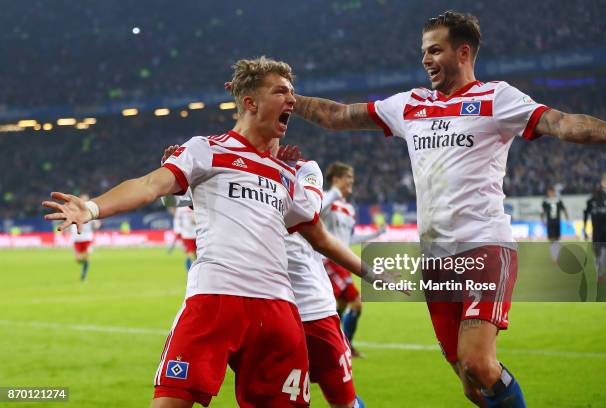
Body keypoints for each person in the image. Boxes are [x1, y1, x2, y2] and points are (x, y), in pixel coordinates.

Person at [290, 10, 606, 407]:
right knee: (469, 380)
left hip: (484, 247)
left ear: (463, 53)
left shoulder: (496, 98)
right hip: (436, 260)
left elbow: (562, 123)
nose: (425, 59)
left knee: (478, 362)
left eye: (435, 50)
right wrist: (290, 100)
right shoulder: (409, 106)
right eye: (424, 51)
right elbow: (338, 115)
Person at [42, 57, 368, 408]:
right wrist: (91, 209)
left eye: (292, 92)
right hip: (217, 298)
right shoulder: (207, 149)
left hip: (279, 311)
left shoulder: (285, 176)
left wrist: (372, 272)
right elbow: (151, 184)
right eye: (281, 91)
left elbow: (320, 237)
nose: (292, 100)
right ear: (250, 103)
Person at [161, 144, 369, 408]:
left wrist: (285, 172)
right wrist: (170, 173)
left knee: (344, 401)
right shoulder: (227, 166)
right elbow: (172, 201)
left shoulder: (306, 168)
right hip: (261, 303)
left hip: (310, 306)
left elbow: (309, 213)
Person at [321, 161, 385, 357]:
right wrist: (335, 192)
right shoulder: (324, 199)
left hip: (343, 260)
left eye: (352, 177)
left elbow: (348, 239)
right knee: (354, 303)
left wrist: (374, 235)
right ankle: (343, 346)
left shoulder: (349, 209)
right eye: (348, 176)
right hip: (328, 260)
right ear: (336, 179)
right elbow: (315, 211)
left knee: (339, 306)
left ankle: (334, 344)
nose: (352, 181)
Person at [584, 181, 606, 284]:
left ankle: (600, 272)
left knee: (602, 253)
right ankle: (599, 274)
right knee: (598, 254)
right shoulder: (590, 202)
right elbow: (586, 215)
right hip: (597, 232)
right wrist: (585, 230)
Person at [68, 193, 100, 281]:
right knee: (78, 259)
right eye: (83, 199)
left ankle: (84, 275)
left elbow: (97, 224)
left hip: (87, 238)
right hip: (76, 238)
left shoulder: (91, 211)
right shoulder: (74, 210)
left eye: (86, 199)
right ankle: (85, 264)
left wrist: (95, 225)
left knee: (85, 257)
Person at [541, 186, 568, 261]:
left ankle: (556, 256)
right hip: (550, 223)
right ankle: (555, 256)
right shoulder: (548, 201)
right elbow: (542, 212)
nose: (550, 193)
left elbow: (564, 209)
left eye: (551, 192)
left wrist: (567, 219)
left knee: (556, 239)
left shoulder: (551, 201)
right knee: (552, 240)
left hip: (556, 223)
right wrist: (542, 220)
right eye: (549, 192)